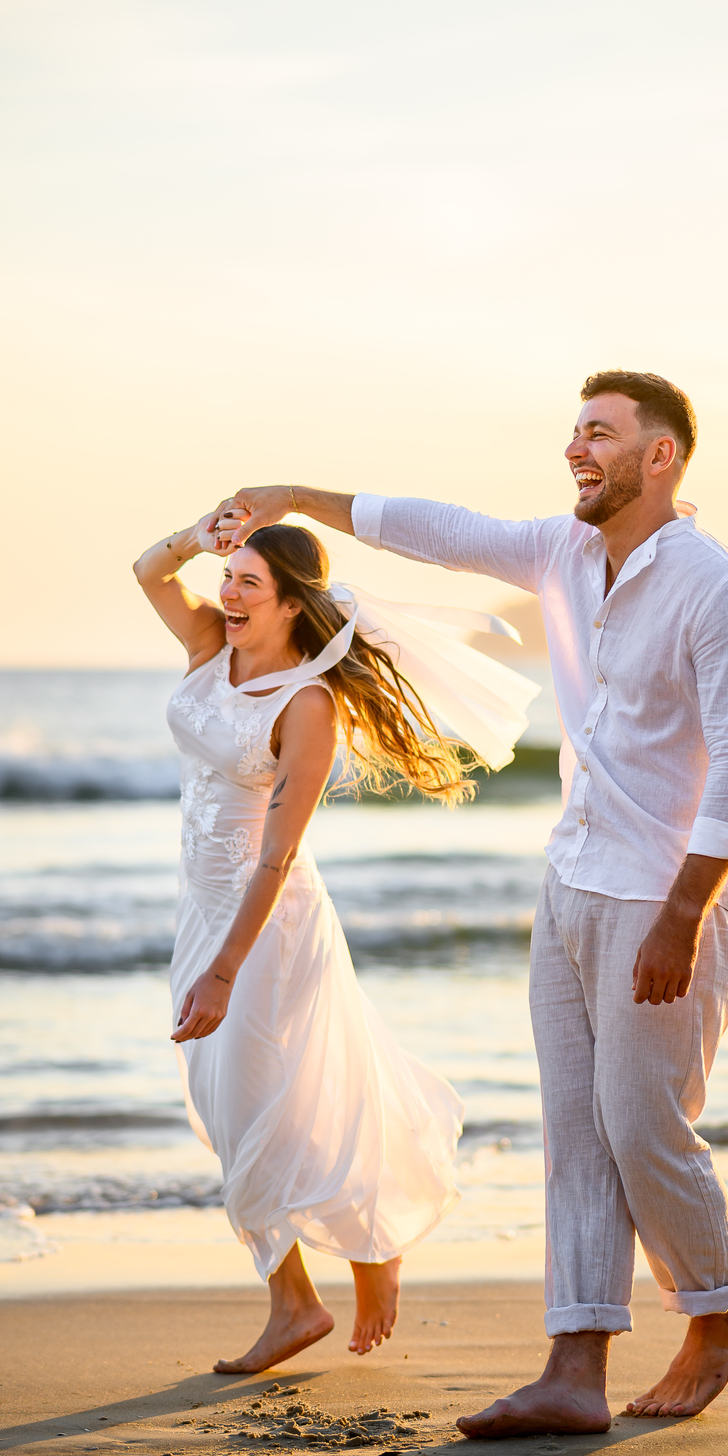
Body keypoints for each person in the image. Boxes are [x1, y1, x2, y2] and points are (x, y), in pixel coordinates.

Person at [222, 369, 728, 1432]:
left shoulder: (717, 588)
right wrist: (297, 496)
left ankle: (716, 1314)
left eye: (602, 434)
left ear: (659, 457)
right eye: (573, 431)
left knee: (642, 1124)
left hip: (663, 898)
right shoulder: (564, 553)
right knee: (575, 1131)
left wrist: (684, 912)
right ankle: (575, 1369)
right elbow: (444, 529)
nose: (578, 449)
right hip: (570, 879)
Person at [133, 512, 533, 1372]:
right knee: (230, 1107)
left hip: (266, 924)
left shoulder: (308, 704)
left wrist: (224, 973)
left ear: (289, 605)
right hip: (199, 908)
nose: (228, 592)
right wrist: (200, 535)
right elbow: (147, 573)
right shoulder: (213, 645)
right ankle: (300, 1301)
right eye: (228, 575)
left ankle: (365, 1255)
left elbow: (278, 851)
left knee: (288, 1101)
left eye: (248, 582)